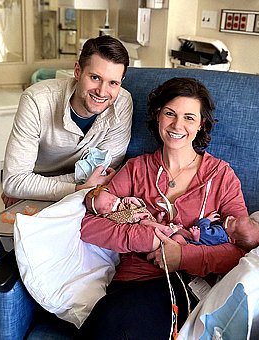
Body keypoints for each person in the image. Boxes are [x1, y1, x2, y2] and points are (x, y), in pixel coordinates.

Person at [78, 77, 249, 338]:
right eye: (170, 113)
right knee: (110, 319)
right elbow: (87, 226)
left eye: (189, 117)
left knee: (120, 321)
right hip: (131, 281)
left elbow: (241, 249)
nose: (178, 125)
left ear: (201, 123)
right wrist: (146, 239)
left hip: (187, 285)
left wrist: (183, 256)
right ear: (158, 116)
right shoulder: (137, 169)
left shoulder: (220, 176)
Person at [1, 35, 133, 208]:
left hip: (46, 192)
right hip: (37, 189)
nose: (102, 91)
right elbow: (14, 182)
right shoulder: (36, 101)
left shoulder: (122, 103)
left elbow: (105, 173)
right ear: (77, 71)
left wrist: (30, 187)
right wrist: (78, 187)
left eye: (113, 83)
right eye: (95, 78)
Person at [173, 212, 259, 252]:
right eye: (236, 217)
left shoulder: (220, 233)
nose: (231, 217)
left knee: (177, 237)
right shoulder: (225, 233)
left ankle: (164, 227)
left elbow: (204, 232)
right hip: (194, 240)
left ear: (231, 239)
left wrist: (207, 220)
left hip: (189, 243)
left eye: (232, 221)